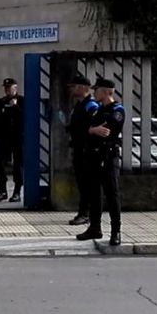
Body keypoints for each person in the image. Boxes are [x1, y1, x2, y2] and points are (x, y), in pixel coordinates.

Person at [76, 77, 125, 246]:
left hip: (109, 157)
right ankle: (95, 228)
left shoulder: (117, 110)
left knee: (112, 194)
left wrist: (93, 130)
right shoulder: (97, 110)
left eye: (96, 90)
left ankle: (116, 231)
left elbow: (108, 130)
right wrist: (92, 129)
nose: (93, 92)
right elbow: (83, 129)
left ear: (106, 92)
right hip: (94, 157)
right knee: (94, 194)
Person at [66, 74, 99, 226]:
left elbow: (91, 129)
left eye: (73, 86)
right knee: (82, 183)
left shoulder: (91, 106)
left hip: (87, 151)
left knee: (87, 183)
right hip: (79, 148)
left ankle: (86, 214)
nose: (71, 89)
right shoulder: (79, 105)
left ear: (82, 88)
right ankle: (84, 212)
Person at [0, 77, 23, 203]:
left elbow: (24, 117)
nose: (7, 90)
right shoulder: (2, 101)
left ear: (15, 87)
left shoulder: (21, 101)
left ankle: (17, 192)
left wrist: (16, 107)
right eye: (5, 88)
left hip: (17, 137)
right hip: (2, 137)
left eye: (9, 87)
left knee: (17, 165)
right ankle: (2, 191)